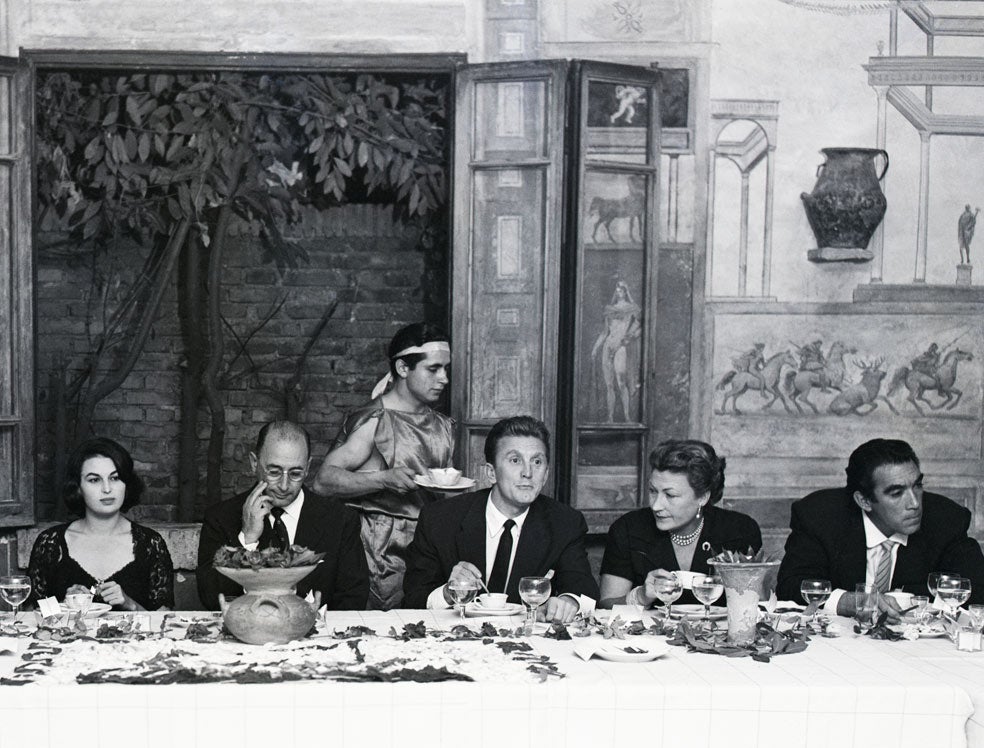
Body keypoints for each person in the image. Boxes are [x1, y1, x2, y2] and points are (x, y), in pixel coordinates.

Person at [313, 323, 455, 610]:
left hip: (429, 546)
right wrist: (384, 479)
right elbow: (323, 481)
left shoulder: (442, 424)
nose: (444, 378)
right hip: (379, 549)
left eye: (446, 369)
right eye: (433, 369)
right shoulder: (375, 419)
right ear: (403, 368)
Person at [402, 416, 599, 621]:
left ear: (546, 474)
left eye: (537, 462)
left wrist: (569, 602)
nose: (528, 472)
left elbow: (584, 590)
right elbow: (413, 599)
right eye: (515, 460)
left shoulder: (565, 523)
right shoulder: (440, 519)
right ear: (491, 473)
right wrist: (448, 592)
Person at [776, 438, 984, 622]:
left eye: (917, 486)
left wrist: (911, 601)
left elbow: (975, 592)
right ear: (864, 500)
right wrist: (852, 602)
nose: (914, 503)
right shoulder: (820, 516)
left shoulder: (947, 519)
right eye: (896, 493)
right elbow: (791, 586)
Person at [197, 420, 368, 611]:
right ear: (254, 464)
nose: (284, 486)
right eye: (274, 472)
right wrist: (247, 539)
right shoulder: (220, 517)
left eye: (295, 473)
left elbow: (354, 599)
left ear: (308, 467)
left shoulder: (340, 520)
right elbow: (210, 597)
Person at [598, 440, 761, 608]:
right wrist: (640, 596)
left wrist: (734, 582)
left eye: (670, 495)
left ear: (703, 497)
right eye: (653, 491)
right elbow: (605, 606)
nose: (656, 506)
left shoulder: (740, 530)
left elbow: (757, 607)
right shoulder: (627, 529)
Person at [28, 437, 174, 611]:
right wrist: (63, 606)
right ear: (78, 488)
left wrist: (130, 604)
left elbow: (165, 620)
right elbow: (30, 616)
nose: (107, 489)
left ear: (126, 484)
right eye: (94, 480)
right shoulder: (50, 543)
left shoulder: (151, 543)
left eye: (115, 478)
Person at [590, 280, 642, 422]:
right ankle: (610, 418)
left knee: (621, 382)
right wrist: (595, 348)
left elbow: (639, 327)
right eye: (617, 289)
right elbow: (605, 332)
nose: (619, 291)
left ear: (626, 291)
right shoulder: (610, 310)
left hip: (620, 347)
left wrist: (630, 337)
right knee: (609, 384)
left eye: (621, 289)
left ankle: (627, 417)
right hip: (608, 346)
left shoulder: (631, 308)